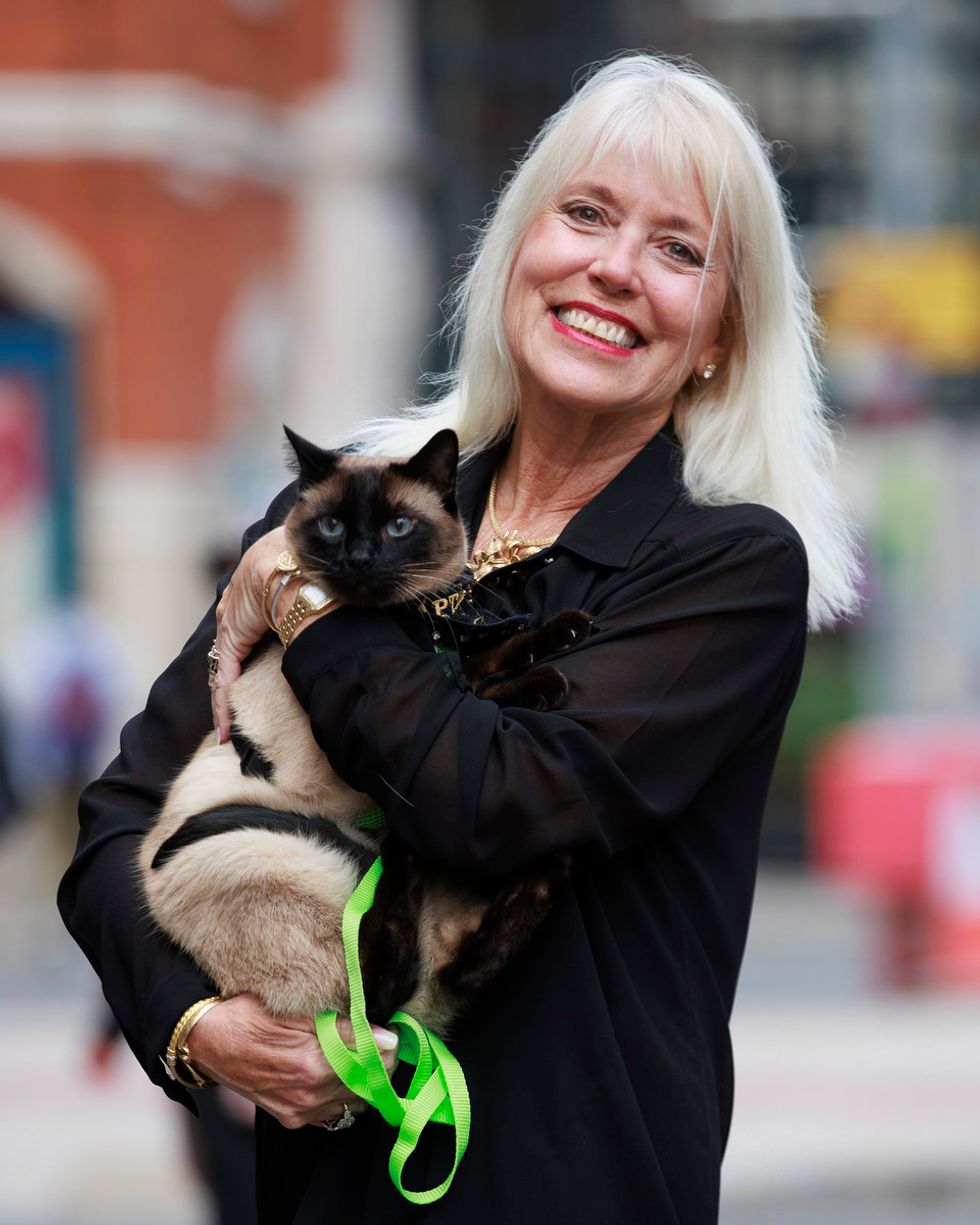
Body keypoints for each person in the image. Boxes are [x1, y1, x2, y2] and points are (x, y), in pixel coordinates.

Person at [59, 53, 860, 1225]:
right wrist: (199, 1025)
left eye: (677, 249)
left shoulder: (723, 566)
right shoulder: (343, 517)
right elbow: (117, 821)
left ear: (716, 341)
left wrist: (316, 599)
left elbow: (495, 802)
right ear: (513, 254)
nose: (613, 267)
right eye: (583, 214)